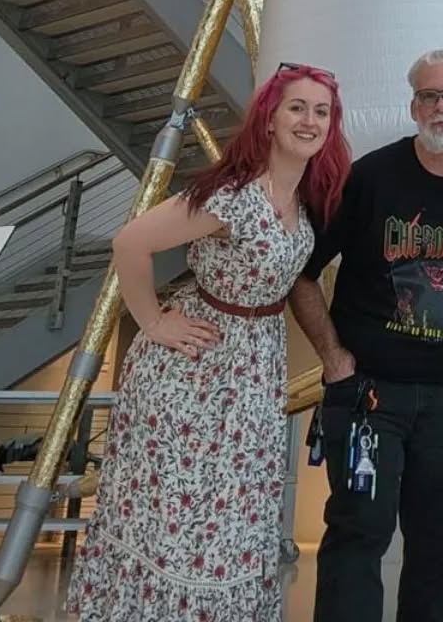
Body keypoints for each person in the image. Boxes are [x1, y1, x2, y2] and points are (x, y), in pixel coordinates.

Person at [70, 65, 350, 622]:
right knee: (179, 515)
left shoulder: (303, 201)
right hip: (195, 373)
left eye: (321, 111)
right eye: (297, 107)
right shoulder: (233, 195)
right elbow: (131, 242)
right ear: (269, 119)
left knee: (235, 517)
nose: (309, 120)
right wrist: (152, 321)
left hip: (252, 371)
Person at [290, 47, 443, 622]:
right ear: (414, 106)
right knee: (357, 539)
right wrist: (333, 358)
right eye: (429, 95)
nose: (441, 106)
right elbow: (299, 271)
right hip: (369, 396)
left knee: (442, 550)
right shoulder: (370, 178)